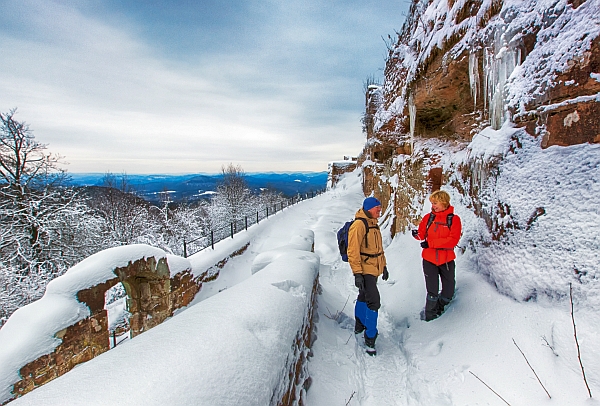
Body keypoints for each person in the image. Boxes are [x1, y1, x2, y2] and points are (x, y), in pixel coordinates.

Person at [412, 190, 462, 321]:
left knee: (448, 292)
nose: (433, 205)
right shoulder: (428, 218)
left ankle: (440, 308)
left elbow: (453, 240)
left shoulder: (454, 220)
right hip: (429, 260)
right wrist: (417, 235)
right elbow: (422, 234)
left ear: (444, 203)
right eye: (432, 203)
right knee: (432, 291)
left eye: (435, 203)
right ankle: (429, 316)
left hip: (447, 260)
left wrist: (431, 243)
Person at [348, 196, 388, 356]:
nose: (380, 210)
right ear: (369, 208)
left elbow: (379, 249)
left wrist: (383, 266)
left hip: (374, 267)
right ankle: (370, 337)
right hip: (365, 270)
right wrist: (357, 273)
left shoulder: (374, 224)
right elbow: (353, 251)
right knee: (374, 302)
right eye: (377, 208)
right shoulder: (359, 225)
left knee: (364, 296)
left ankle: (359, 325)